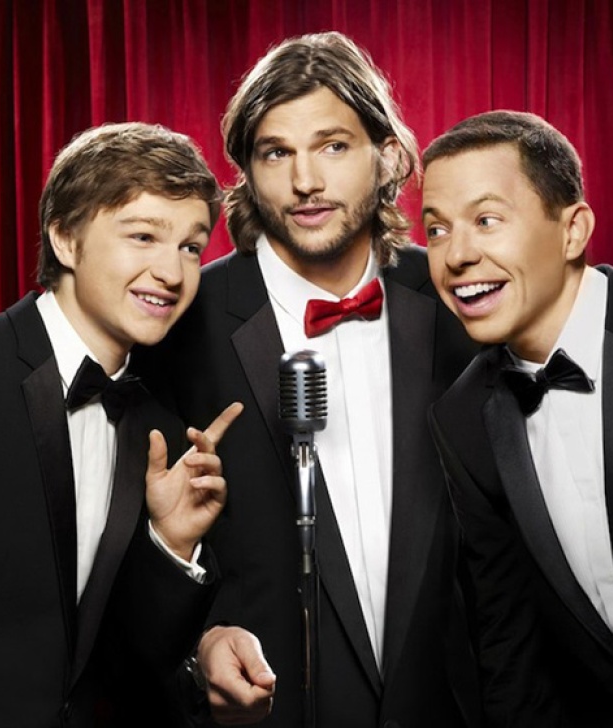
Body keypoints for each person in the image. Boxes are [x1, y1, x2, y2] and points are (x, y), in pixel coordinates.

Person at [134, 32, 479, 727]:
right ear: (246, 171)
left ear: (388, 158)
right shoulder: (175, 320)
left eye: (333, 146)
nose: (305, 182)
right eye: (276, 153)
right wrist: (198, 650)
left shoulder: (462, 302)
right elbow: (117, 569)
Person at [0, 121, 254, 728]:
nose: (173, 272)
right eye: (143, 236)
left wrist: (170, 543)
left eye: (191, 247)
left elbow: (123, 665)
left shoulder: (160, 431)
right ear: (65, 238)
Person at [423, 110, 613, 727]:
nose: (456, 255)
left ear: (572, 231)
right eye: (436, 229)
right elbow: (508, 642)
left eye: (486, 220)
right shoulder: (461, 417)